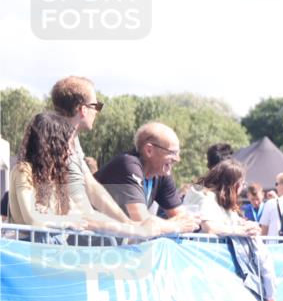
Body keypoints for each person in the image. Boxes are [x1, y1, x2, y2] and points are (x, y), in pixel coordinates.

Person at [9, 112, 161, 238]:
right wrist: (66, 221)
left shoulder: (54, 178)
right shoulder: (24, 171)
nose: (70, 151)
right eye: (65, 144)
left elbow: (83, 216)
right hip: (27, 254)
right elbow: (33, 219)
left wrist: (127, 225)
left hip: (48, 252)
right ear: (52, 145)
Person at [49, 76, 152, 229]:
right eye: (96, 106)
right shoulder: (52, 142)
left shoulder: (72, 140)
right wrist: (130, 228)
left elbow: (91, 186)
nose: (97, 112)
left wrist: (127, 222)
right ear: (83, 109)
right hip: (53, 238)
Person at [181, 159, 277, 301]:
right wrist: (241, 230)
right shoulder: (204, 195)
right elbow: (210, 228)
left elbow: (231, 221)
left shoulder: (217, 197)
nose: (242, 188)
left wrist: (247, 225)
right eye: (242, 184)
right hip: (201, 266)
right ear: (235, 184)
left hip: (212, 267)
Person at [94, 122, 199, 234]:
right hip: (85, 244)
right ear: (149, 150)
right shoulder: (127, 164)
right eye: (172, 153)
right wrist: (175, 226)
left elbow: (183, 218)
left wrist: (175, 224)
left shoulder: (161, 173)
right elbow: (142, 221)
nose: (177, 159)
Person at [258, 171, 283, 236]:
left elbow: (264, 230)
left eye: (277, 184)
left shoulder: (271, 203)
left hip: (275, 244)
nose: (276, 187)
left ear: (282, 185)